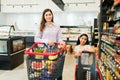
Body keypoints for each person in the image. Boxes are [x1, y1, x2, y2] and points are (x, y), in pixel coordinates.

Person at [34, 8, 64, 80]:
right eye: (46, 15)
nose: (48, 16)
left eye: (49, 14)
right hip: (45, 51)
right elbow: (36, 39)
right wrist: (47, 41)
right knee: (46, 69)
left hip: (55, 51)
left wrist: (61, 42)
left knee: (56, 69)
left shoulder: (57, 26)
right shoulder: (41, 26)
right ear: (44, 16)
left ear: (52, 15)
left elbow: (59, 38)